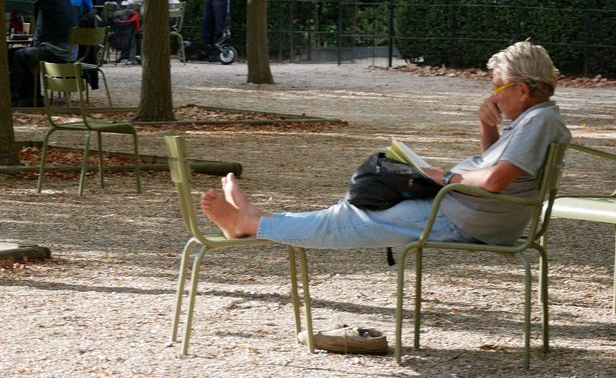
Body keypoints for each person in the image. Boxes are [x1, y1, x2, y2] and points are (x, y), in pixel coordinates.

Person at [200, 41, 571, 252]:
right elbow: (495, 165)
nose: (493, 95)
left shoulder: (539, 121)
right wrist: (486, 125)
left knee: (347, 220)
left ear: (523, 90)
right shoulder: (535, 119)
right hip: (464, 210)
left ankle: (251, 223)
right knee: (351, 208)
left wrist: (444, 175)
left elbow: (495, 182)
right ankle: (257, 218)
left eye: (498, 88)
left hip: (463, 218)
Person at [10, 0, 77, 106]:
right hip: (71, 52)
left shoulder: (46, 4)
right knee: (25, 55)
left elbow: (40, 33)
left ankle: (15, 97)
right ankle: (32, 96)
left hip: (56, 52)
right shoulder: (65, 0)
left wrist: (32, 49)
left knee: (18, 54)